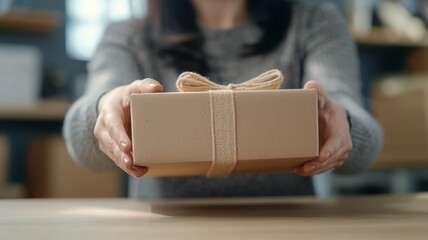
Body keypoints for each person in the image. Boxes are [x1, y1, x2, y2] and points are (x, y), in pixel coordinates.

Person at [63, 0, 383, 198]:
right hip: (166, 231)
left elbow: (358, 131)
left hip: (288, 226)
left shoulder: (315, 22)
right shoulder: (127, 35)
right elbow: (84, 146)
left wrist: (343, 122)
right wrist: (104, 107)